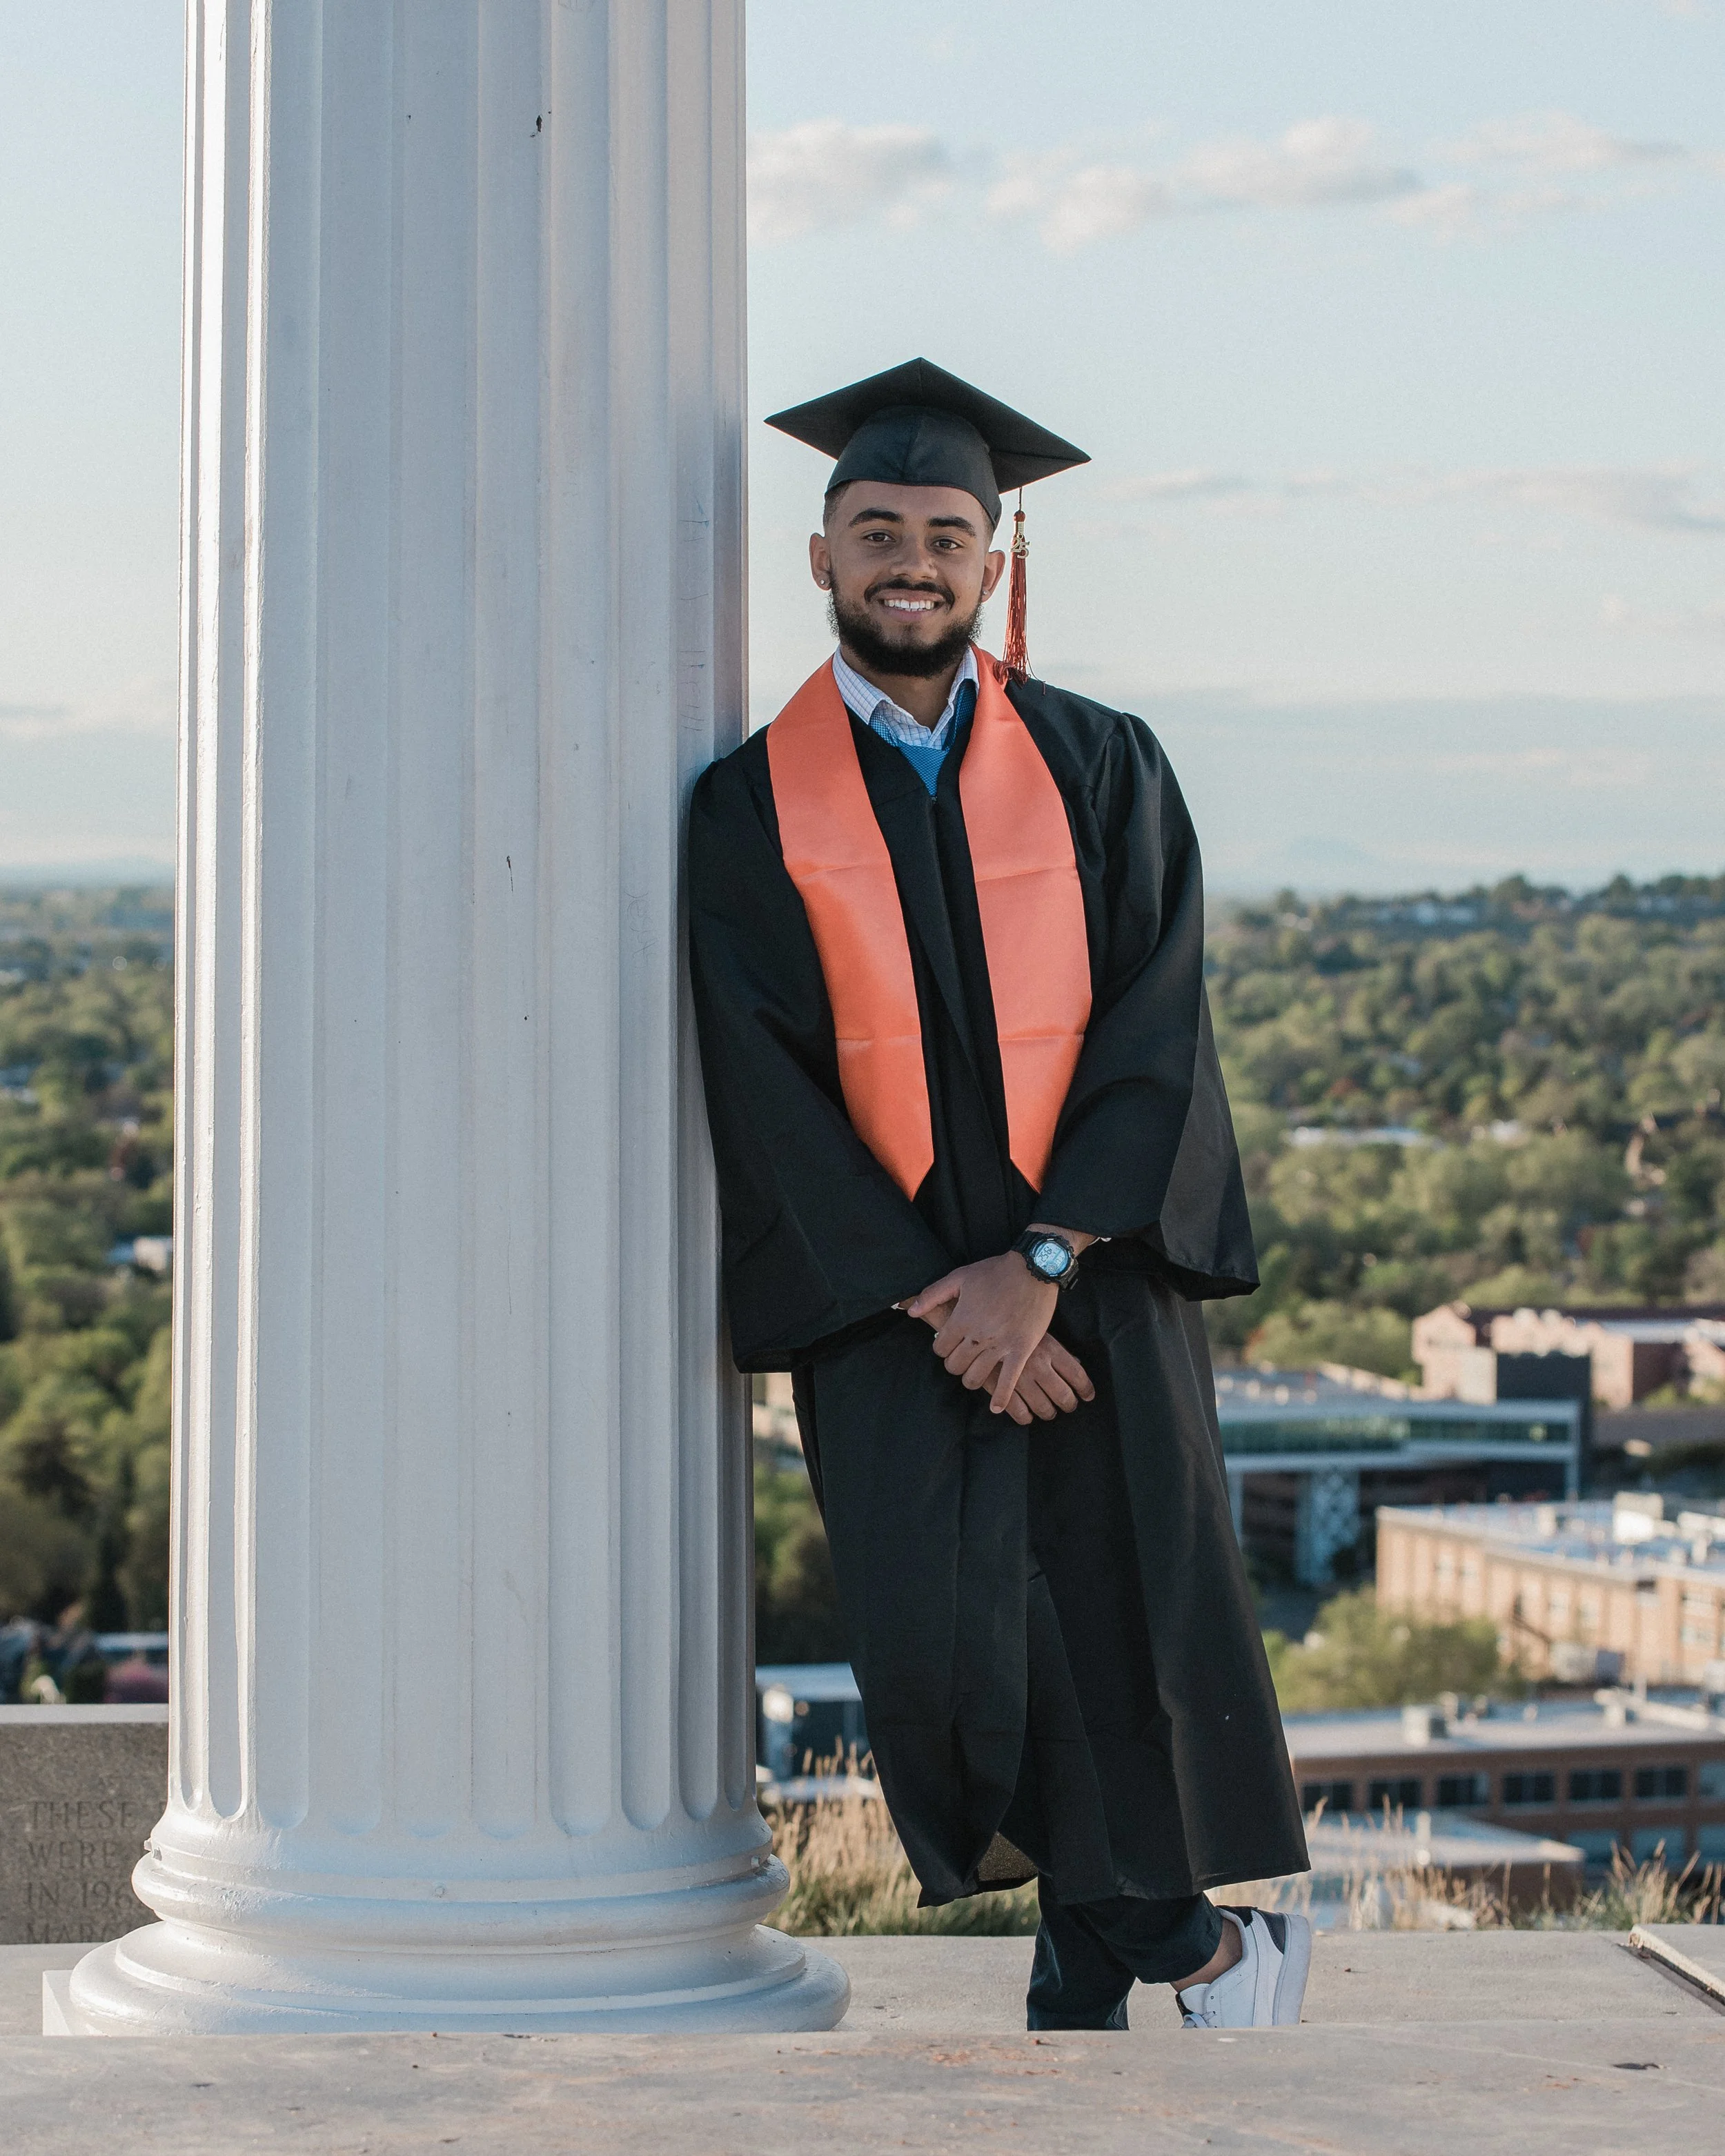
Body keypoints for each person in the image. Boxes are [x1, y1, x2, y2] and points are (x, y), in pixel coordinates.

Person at [688, 358, 1310, 2030]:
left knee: (1115, 1617)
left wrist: (1037, 1258)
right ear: (819, 558)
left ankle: (1098, 1984)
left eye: (944, 532)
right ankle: (1194, 1949)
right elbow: (763, 1084)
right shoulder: (748, 808)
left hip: (1088, 1278)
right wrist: (943, 1295)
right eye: (875, 528)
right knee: (957, 1646)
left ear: (993, 559)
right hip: (891, 1305)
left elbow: (1151, 1023)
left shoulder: (1103, 768)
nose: (912, 559)